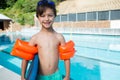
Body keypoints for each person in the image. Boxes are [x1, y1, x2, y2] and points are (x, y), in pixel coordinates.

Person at [21, 0, 70, 80]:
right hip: (40, 77)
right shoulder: (35, 38)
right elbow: (25, 58)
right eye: (43, 16)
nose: (46, 19)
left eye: (50, 15)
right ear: (38, 17)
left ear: (54, 16)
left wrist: (67, 76)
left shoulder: (59, 37)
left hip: (56, 76)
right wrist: (23, 76)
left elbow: (66, 58)